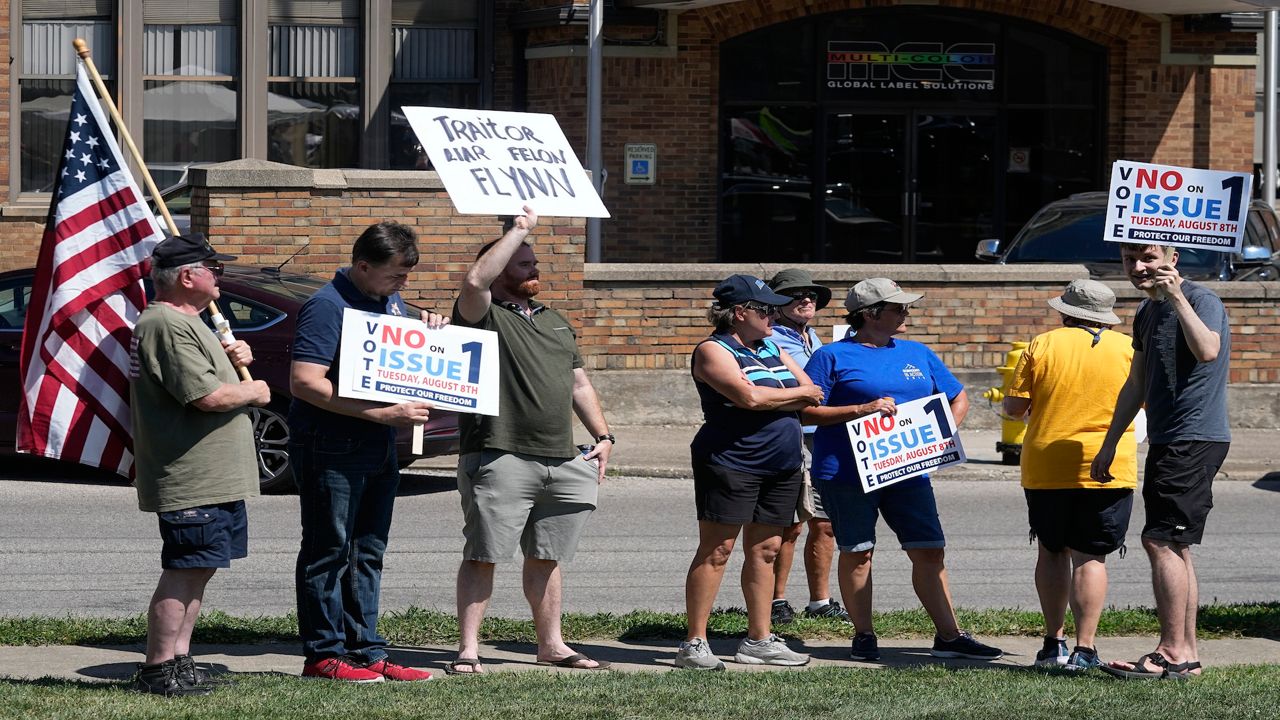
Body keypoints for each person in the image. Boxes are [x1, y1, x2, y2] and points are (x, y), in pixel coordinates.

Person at [449, 206, 615, 675]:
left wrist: (603, 436)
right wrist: (517, 229)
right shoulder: (481, 315)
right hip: (499, 453)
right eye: (523, 262)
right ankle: (468, 650)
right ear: (501, 268)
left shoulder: (555, 321)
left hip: (563, 459)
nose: (535, 268)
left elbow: (579, 384)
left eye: (533, 261)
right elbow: (475, 283)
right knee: (484, 555)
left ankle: (552, 645)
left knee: (547, 556)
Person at [803, 278, 1003, 663]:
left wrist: (940, 435)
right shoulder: (831, 357)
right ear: (870, 315)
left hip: (909, 471)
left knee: (929, 550)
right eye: (898, 308)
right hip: (846, 472)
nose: (906, 313)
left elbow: (956, 396)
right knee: (859, 552)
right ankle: (864, 635)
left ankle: (949, 636)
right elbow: (806, 411)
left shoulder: (918, 352)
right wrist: (860, 410)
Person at [291, 222, 444, 683]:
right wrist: (378, 414)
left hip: (379, 445)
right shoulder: (326, 306)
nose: (404, 284)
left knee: (368, 551)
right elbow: (305, 382)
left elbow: (394, 361)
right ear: (362, 266)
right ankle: (323, 654)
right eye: (396, 275)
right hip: (332, 444)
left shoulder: (388, 301)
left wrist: (430, 334)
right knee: (328, 550)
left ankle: (367, 649)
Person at [129, 233, 272, 696]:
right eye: (214, 268)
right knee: (184, 569)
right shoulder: (166, 324)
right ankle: (157, 667)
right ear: (188, 276)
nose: (220, 276)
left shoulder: (192, 322)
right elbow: (206, 397)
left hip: (215, 477)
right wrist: (254, 390)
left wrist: (237, 361)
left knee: (200, 569)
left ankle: (179, 659)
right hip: (191, 476)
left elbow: (212, 381)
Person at [1092, 243, 1231, 680]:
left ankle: (1172, 651)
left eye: (1148, 258)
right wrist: (1112, 441)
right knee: (1175, 543)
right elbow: (1137, 382)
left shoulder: (1202, 299)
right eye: (1129, 260)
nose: (1138, 267)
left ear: (1173, 257)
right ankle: (1184, 653)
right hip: (1169, 436)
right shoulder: (1145, 311)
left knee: (1160, 541)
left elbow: (1208, 349)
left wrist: (1177, 297)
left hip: (1194, 435)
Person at [675, 274, 824, 671]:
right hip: (730, 461)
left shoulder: (771, 345)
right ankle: (694, 643)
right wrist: (789, 396)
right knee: (717, 550)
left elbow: (811, 388)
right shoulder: (712, 349)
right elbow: (749, 396)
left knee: (767, 550)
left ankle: (758, 640)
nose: (773, 315)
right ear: (739, 313)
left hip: (782, 463)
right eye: (765, 309)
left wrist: (785, 397)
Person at [1003, 279, 1138, 672]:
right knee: (1091, 557)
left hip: (1047, 464)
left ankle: (1052, 643)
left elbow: (1014, 407)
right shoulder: (1130, 348)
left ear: (1066, 312)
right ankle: (1085, 648)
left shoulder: (1042, 344)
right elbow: (1148, 400)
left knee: (1051, 550)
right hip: (1109, 464)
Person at [764, 268, 847, 625]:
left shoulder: (815, 339)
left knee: (826, 522)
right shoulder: (771, 340)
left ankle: (820, 600)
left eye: (811, 295)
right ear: (777, 303)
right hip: (791, 435)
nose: (806, 299)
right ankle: (776, 599)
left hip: (824, 436)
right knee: (790, 524)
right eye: (795, 294)